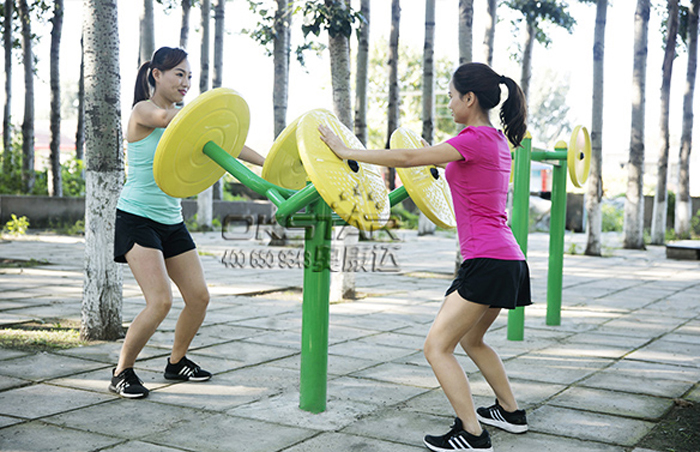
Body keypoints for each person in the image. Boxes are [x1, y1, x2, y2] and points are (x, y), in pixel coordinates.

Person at [319, 62, 531, 452]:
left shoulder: (473, 139)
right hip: (508, 258)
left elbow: (407, 159)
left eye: (452, 96)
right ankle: (510, 411)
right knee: (472, 339)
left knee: (436, 347)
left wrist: (345, 150)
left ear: (469, 98)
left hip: (486, 259)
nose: (449, 104)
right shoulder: (499, 142)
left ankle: (471, 433)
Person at [110, 47, 265, 399]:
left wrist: (269, 164)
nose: (186, 82)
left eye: (189, 76)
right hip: (137, 218)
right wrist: (203, 117)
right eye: (179, 74)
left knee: (198, 297)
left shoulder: (185, 118)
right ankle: (122, 371)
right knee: (160, 301)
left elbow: (230, 146)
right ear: (156, 75)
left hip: (171, 220)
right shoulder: (143, 111)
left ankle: (176, 362)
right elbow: (169, 121)